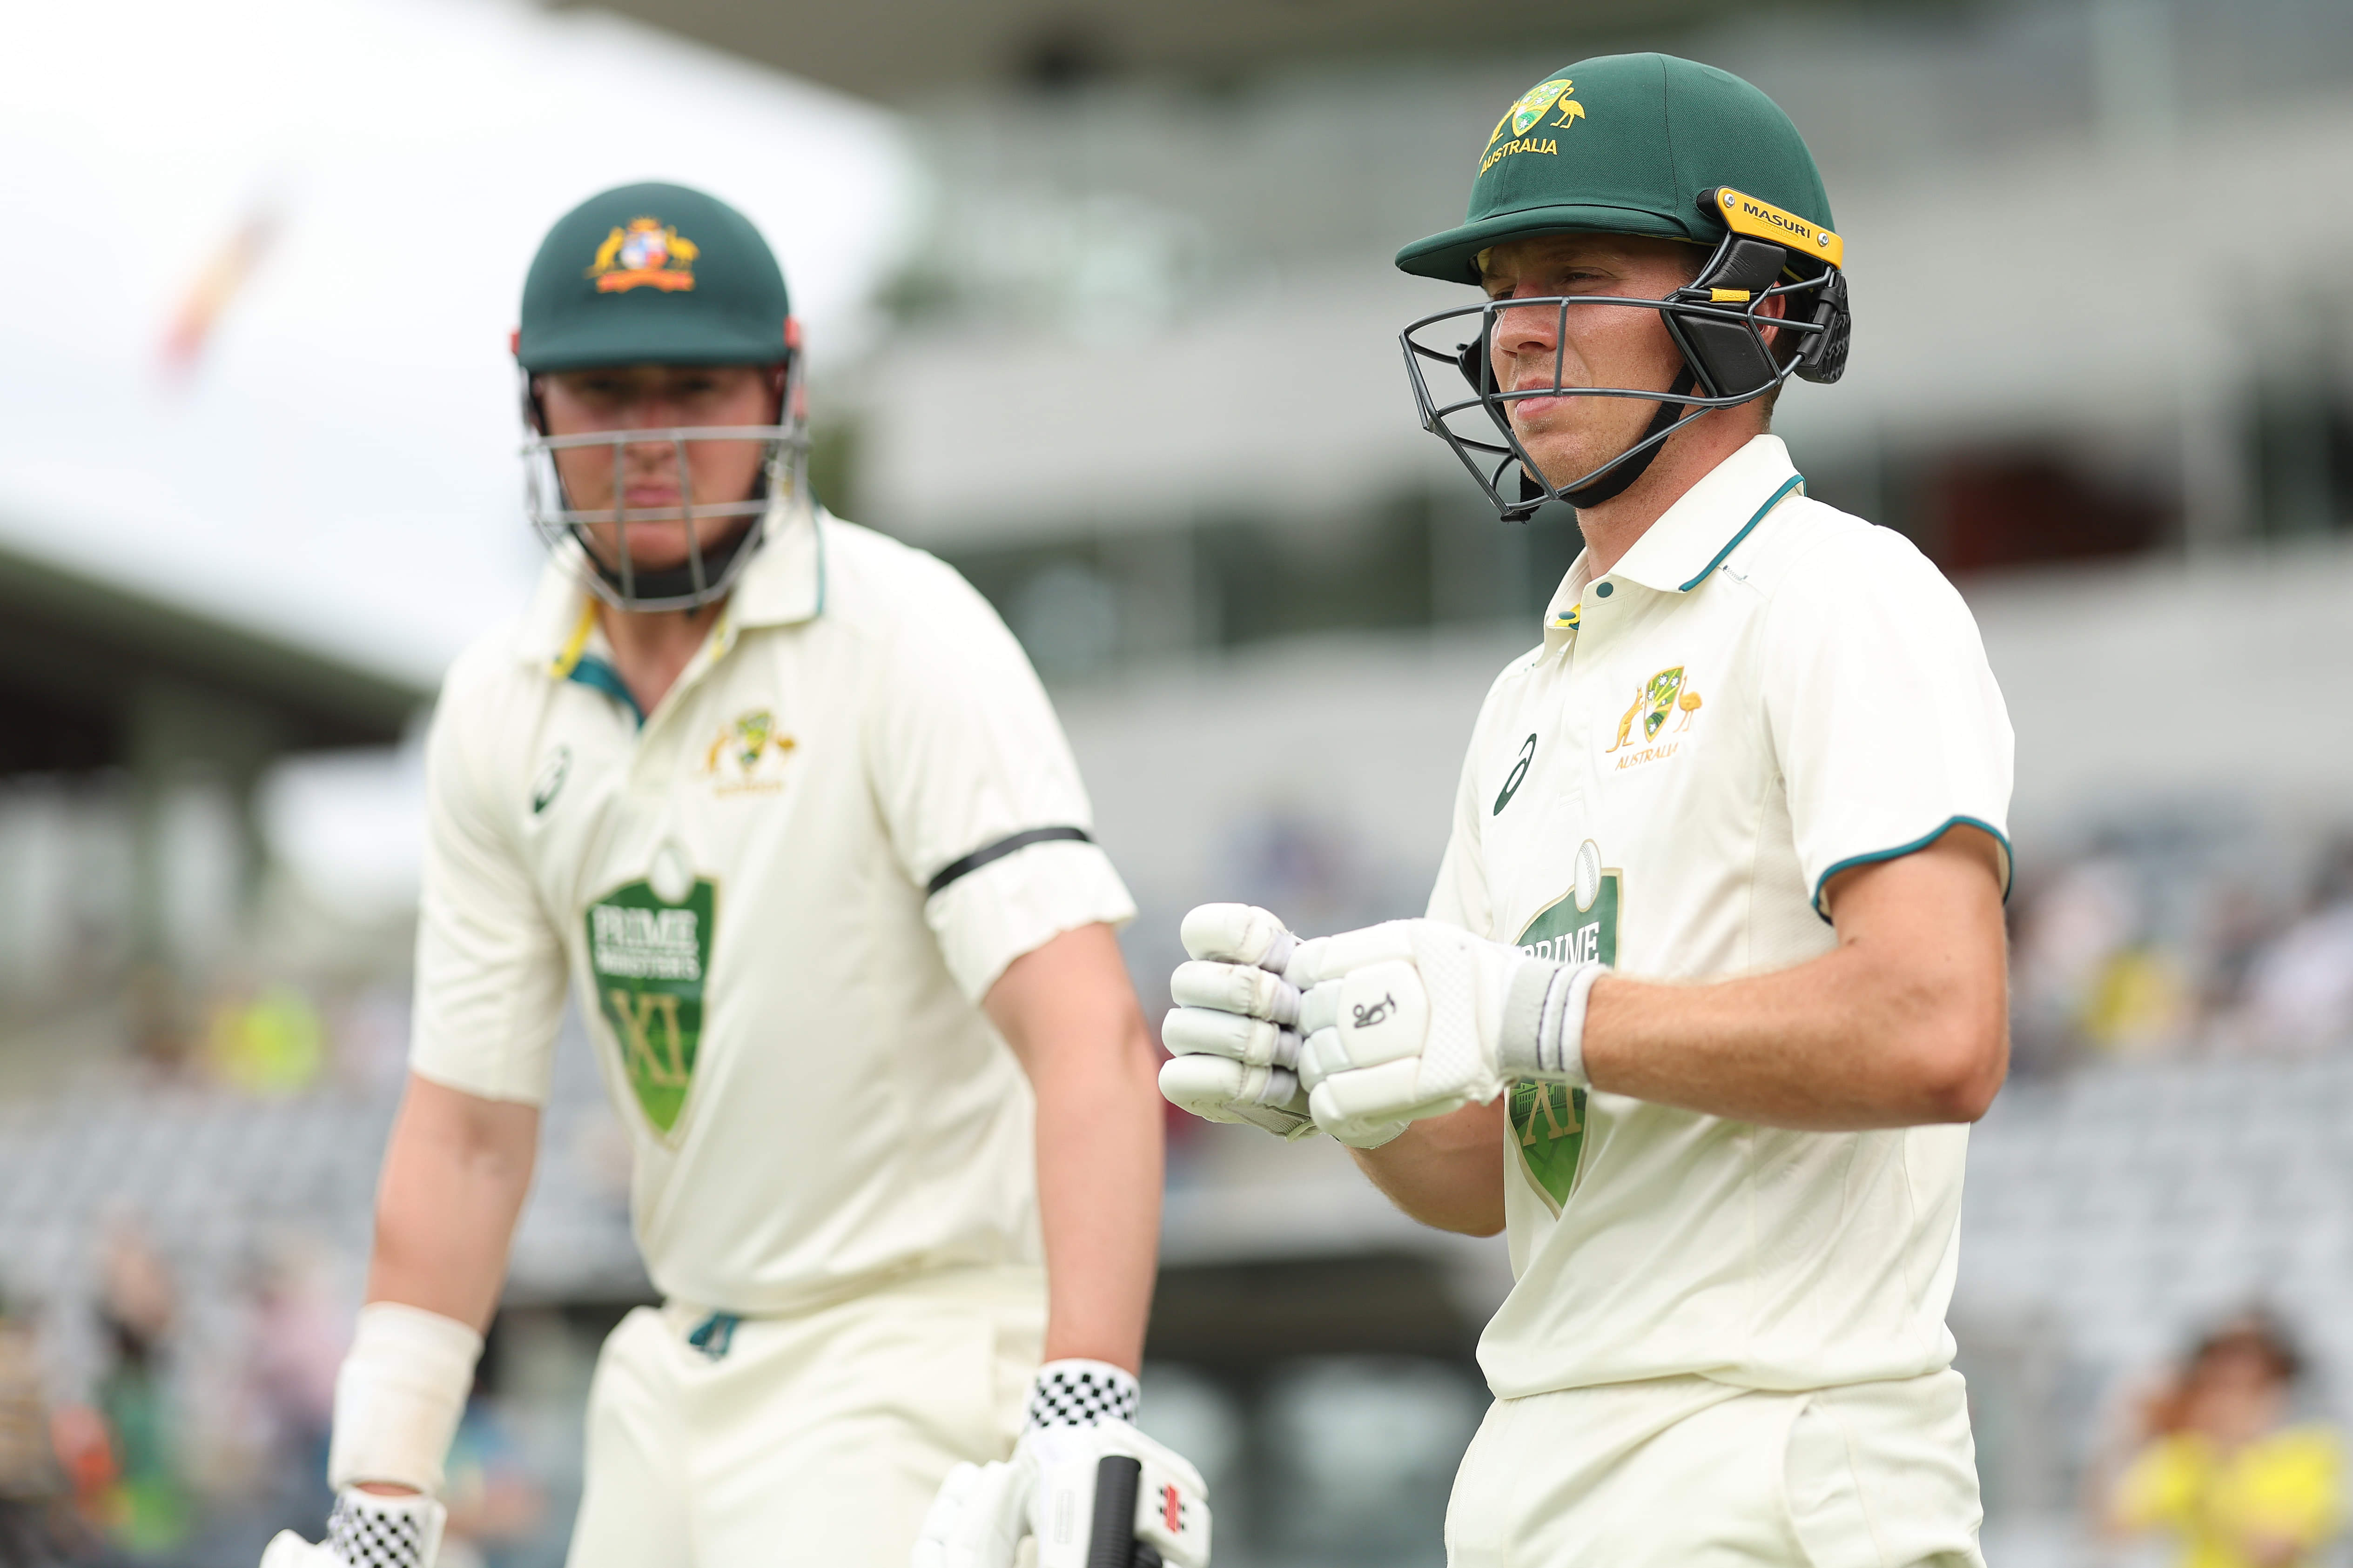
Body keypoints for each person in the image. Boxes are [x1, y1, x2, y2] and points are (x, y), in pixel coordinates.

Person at [262, 182, 1206, 1568]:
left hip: (913, 1351)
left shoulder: (905, 635)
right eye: (605, 393)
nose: (650, 437)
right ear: (536, 403)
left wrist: (1083, 1404)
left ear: (780, 389)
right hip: (671, 1367)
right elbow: (466, 1132)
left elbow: (1089, 1039)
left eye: (694, 387)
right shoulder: (498, 705)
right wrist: (382, 1507)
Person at [1160, 54, 2013, 1565]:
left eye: (1576, 276)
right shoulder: (1531, 693)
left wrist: (1535, 1012)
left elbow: (1937, 1027)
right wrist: (1338, 1079)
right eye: (1502, 290)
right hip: (1544, 1465)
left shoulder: (1840, 594)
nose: (1513, 332)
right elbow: (1484, 1172)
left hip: (1768, 1460)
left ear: (1755, 305)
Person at [2105, 1312, 2343, 1568]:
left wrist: (2224, 1464)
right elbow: (2114, 1529)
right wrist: (2129, 1434)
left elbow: (2272, 1550)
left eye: (2253, 1383)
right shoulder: (2186, 1453)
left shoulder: (2311, 1451)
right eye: (2223, 1381)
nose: (2234, 1396)